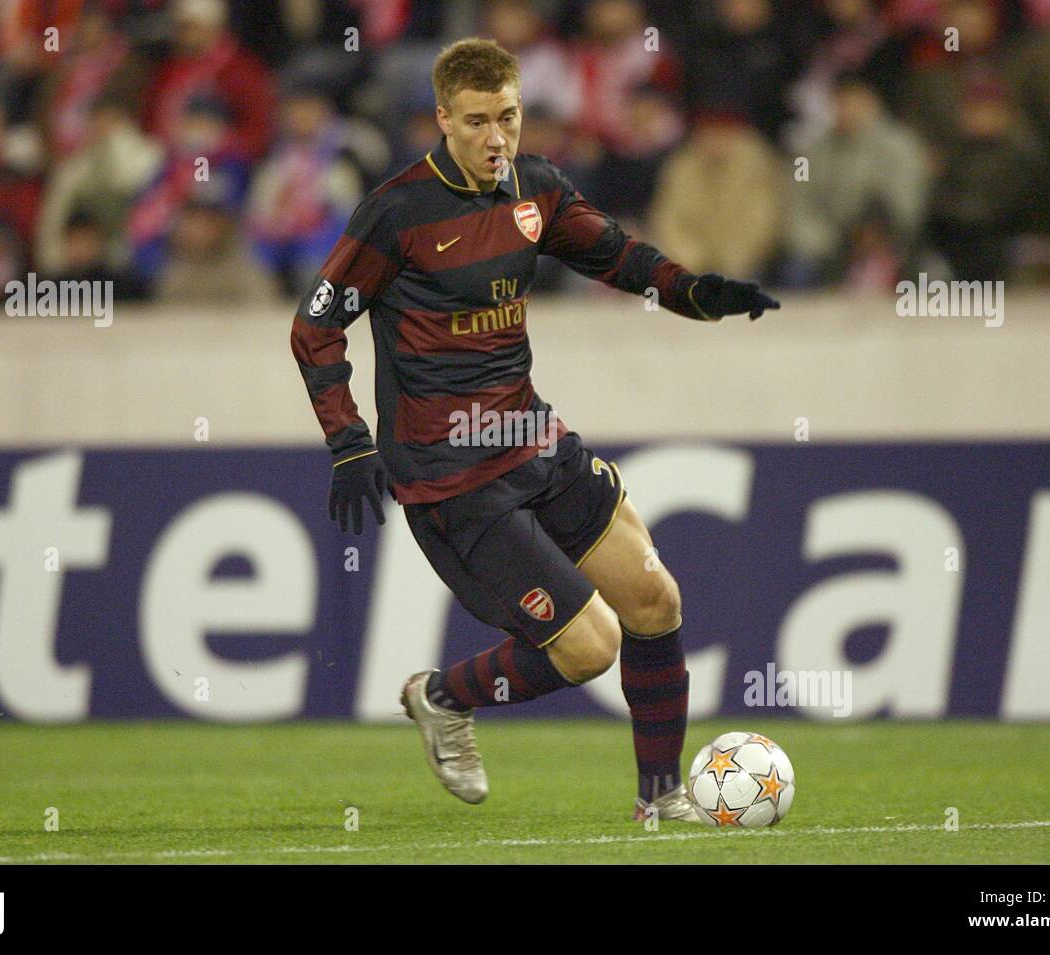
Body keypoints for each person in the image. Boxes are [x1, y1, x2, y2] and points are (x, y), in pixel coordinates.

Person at [289, 39, 778, 822]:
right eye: (477, 121)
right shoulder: (398, 212)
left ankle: (660, 798)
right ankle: (442, 697)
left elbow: (616, 256)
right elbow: (314, 329)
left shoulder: (535, 190)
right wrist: (349, 440)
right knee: (589, 647)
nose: (497, 138)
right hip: (450, 475)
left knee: (654, 599)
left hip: (533, 441)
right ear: (442, 119)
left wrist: (694, 293)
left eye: (508, 118)